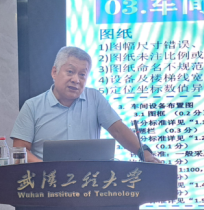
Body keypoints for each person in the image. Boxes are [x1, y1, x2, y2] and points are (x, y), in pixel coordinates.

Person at [10, 46, 159, 163]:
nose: (76, 80)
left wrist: (143, 152)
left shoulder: (94, 99)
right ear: (54, 72)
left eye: (82, 74)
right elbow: (19, 150)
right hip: (45, 183)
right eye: (70, 72)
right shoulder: (32, 106)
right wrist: (46, 169)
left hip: (89, 183)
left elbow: (118, 131)